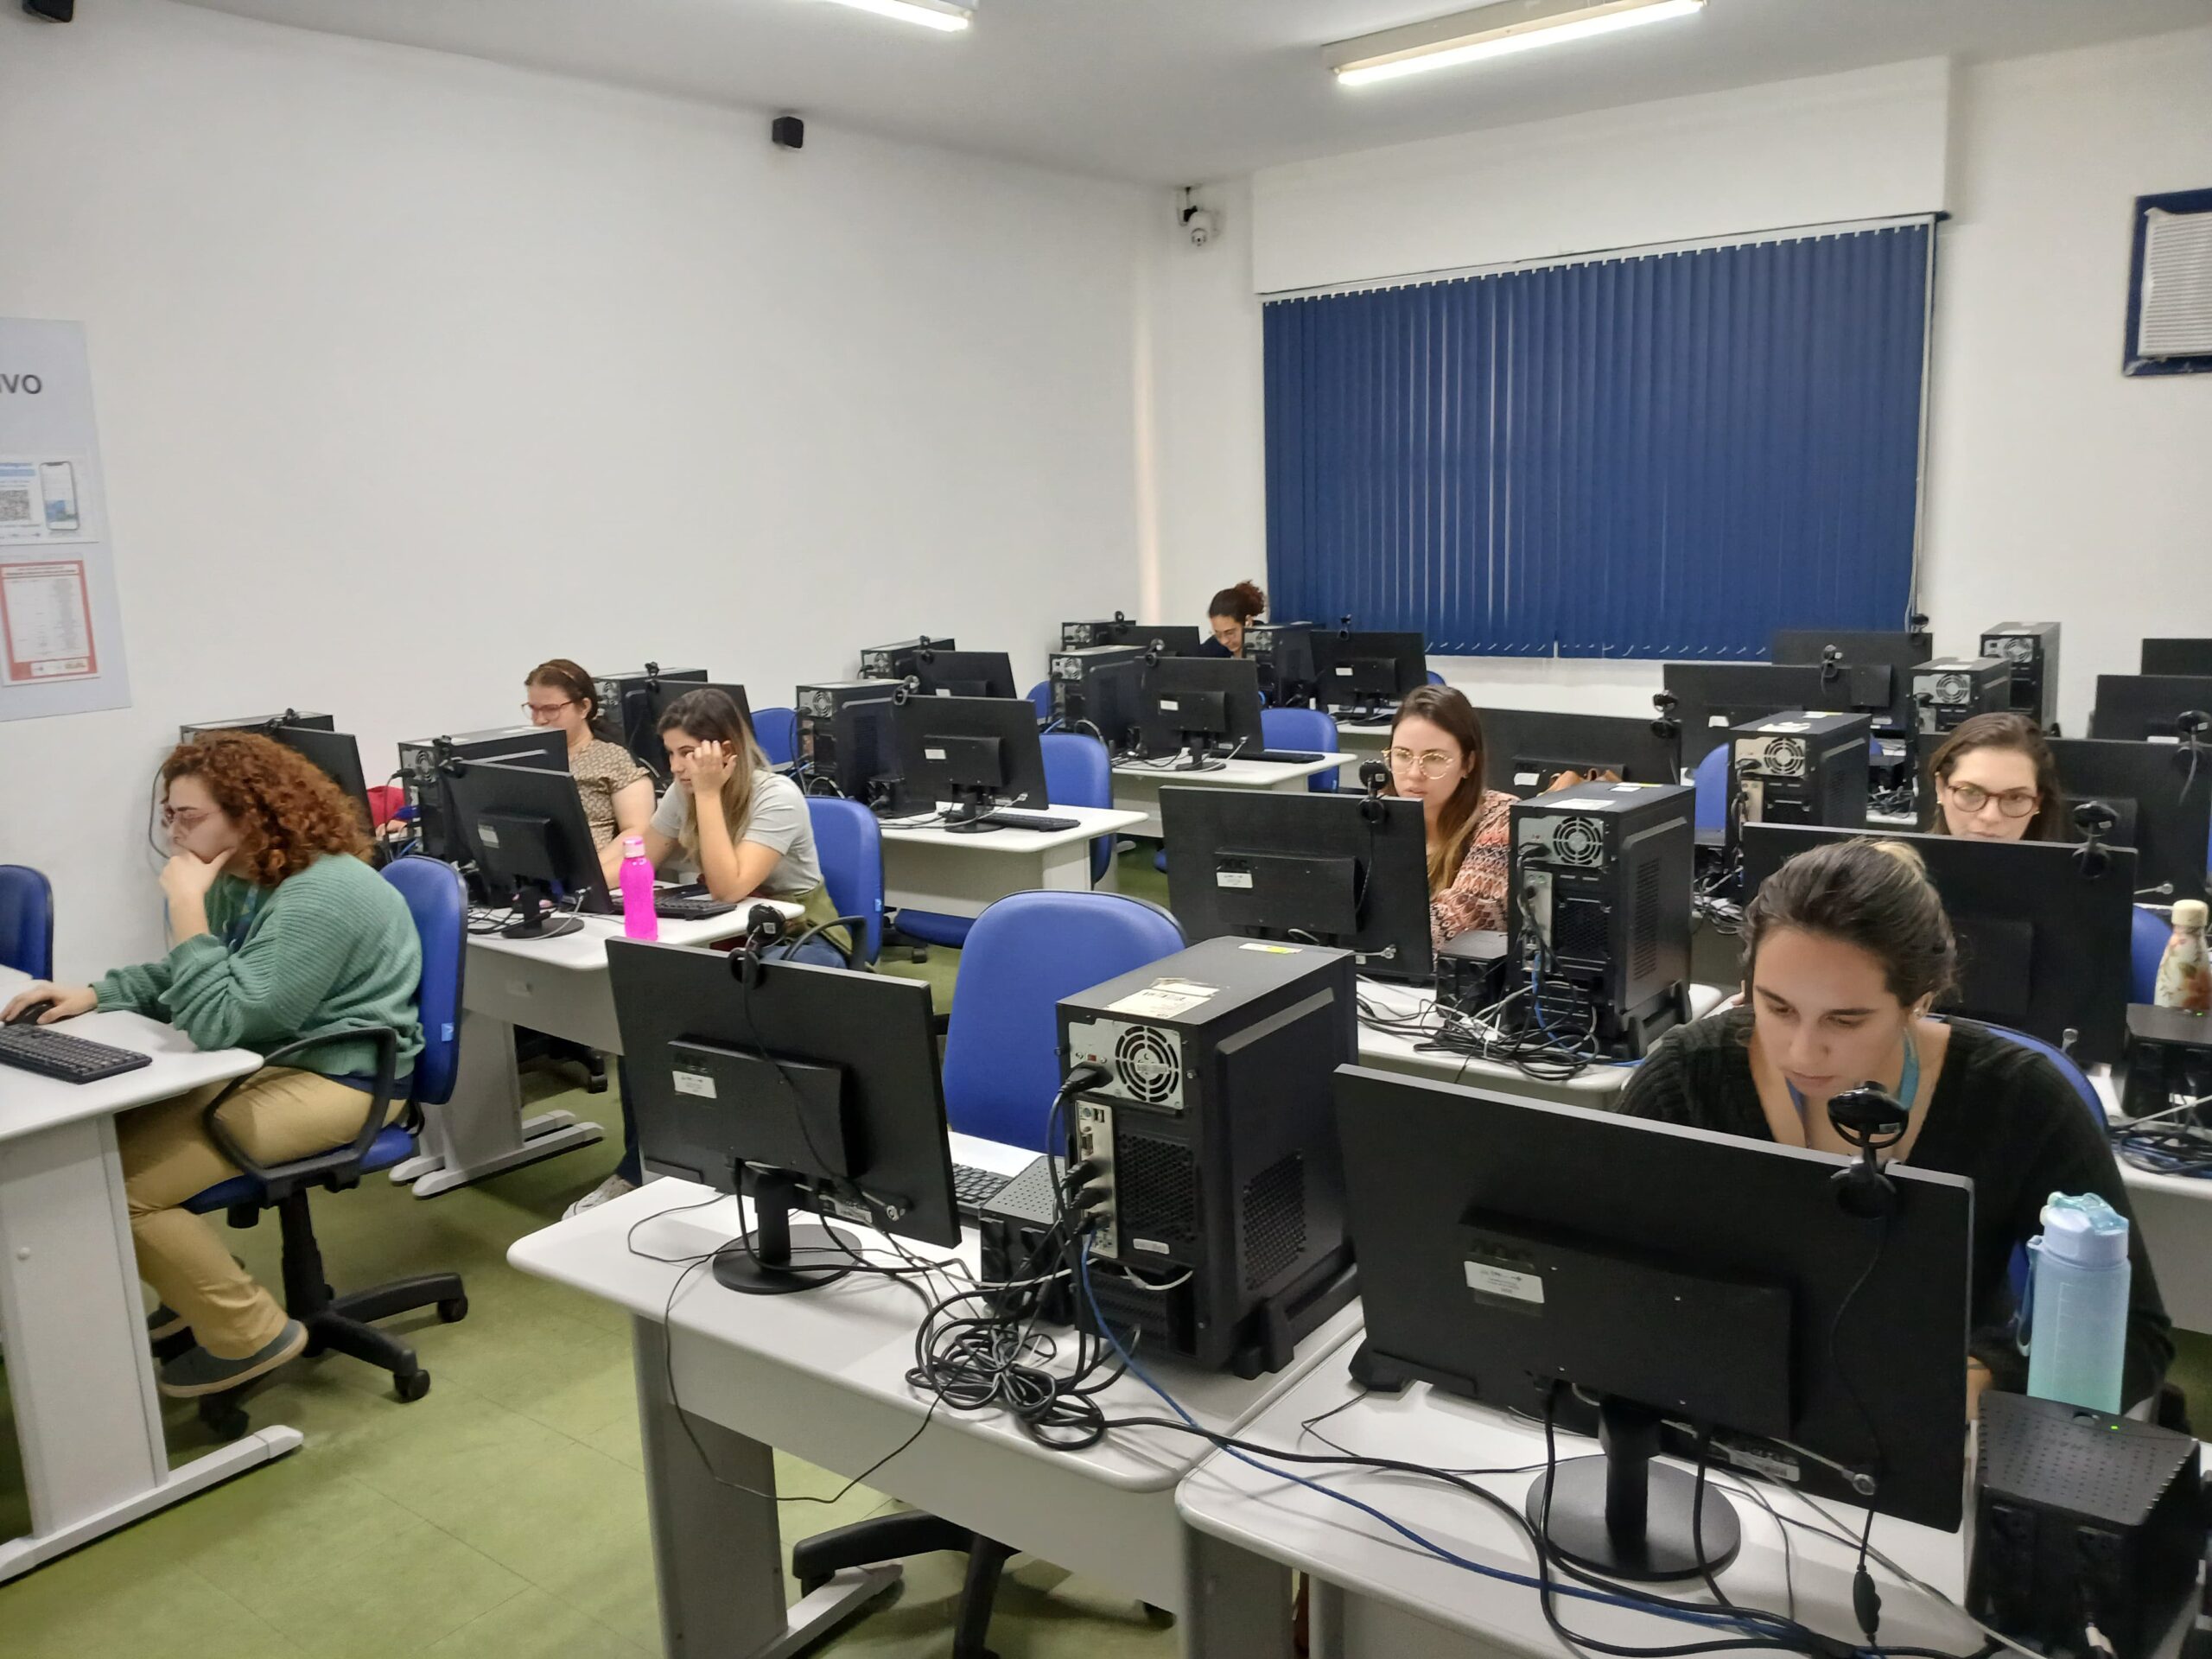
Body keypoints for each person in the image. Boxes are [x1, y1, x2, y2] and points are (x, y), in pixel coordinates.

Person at [1620, 836, 2171, 1414]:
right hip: (1721, 1411)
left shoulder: (2019, 1097)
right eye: (1777, 1008)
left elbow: (2136, 1339)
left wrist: (1973, 1385)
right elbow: (1597, 1271)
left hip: (1924, 1428)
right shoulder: (1687, 1075)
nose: (1804, 1052)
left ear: (1920, 1001)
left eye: (1847, 1020)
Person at [3, 733, 423, 1398]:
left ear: (252, 813)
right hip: (277, 1062)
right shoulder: (250, 875)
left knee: (122, 1191)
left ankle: (253, 1333)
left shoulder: (321, 894)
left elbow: (224, 1016)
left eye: (189, 817)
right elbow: (193, 969)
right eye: (168, 816)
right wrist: (98, 992)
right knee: (102, 1153)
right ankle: (199, 1288)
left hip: (343, 1081)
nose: (174, 834)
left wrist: (185, 904)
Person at [564, 685, 850, 1217]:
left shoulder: (775, 796)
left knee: (738, 1015)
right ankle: (649, 1162)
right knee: (645, 1018)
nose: (675, 767)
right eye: (670, 753)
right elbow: (640, 857)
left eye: (686, 754)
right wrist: (578, 889)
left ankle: (745, 1160)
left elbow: (727, 886)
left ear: (725, 751)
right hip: (726, 936)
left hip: (801, 937)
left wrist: (709, 795)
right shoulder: (683, 790)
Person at [1384, 684, 1516, 948]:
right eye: (1402, 755)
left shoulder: (1501, 819)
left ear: (1468, 764)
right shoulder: (1379, 817)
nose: (1413, 774)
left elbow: (1459, 927)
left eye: (1434, 758)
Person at [523, 658, 654, 882]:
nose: (540, 720)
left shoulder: (613, 758)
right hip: (532, 876)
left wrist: (591, 871)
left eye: (551, 709)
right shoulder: (524, 759)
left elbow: (638, 829)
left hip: (590, 877)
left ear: (583, 707)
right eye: (533, 709)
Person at [1926, 711, 2068, 842]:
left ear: (2037, 802)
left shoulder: (2070, 869)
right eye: (1970, 792)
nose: (1990, 817)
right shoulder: (1905, 869)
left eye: (2015, 797)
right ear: (1941, 788)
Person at [1198, 581, 1267, 659]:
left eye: (1230, 633)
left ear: (1248, 622)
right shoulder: (1211, 649)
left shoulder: (1267, 646)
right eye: (1218, 634)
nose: (1224, 641)